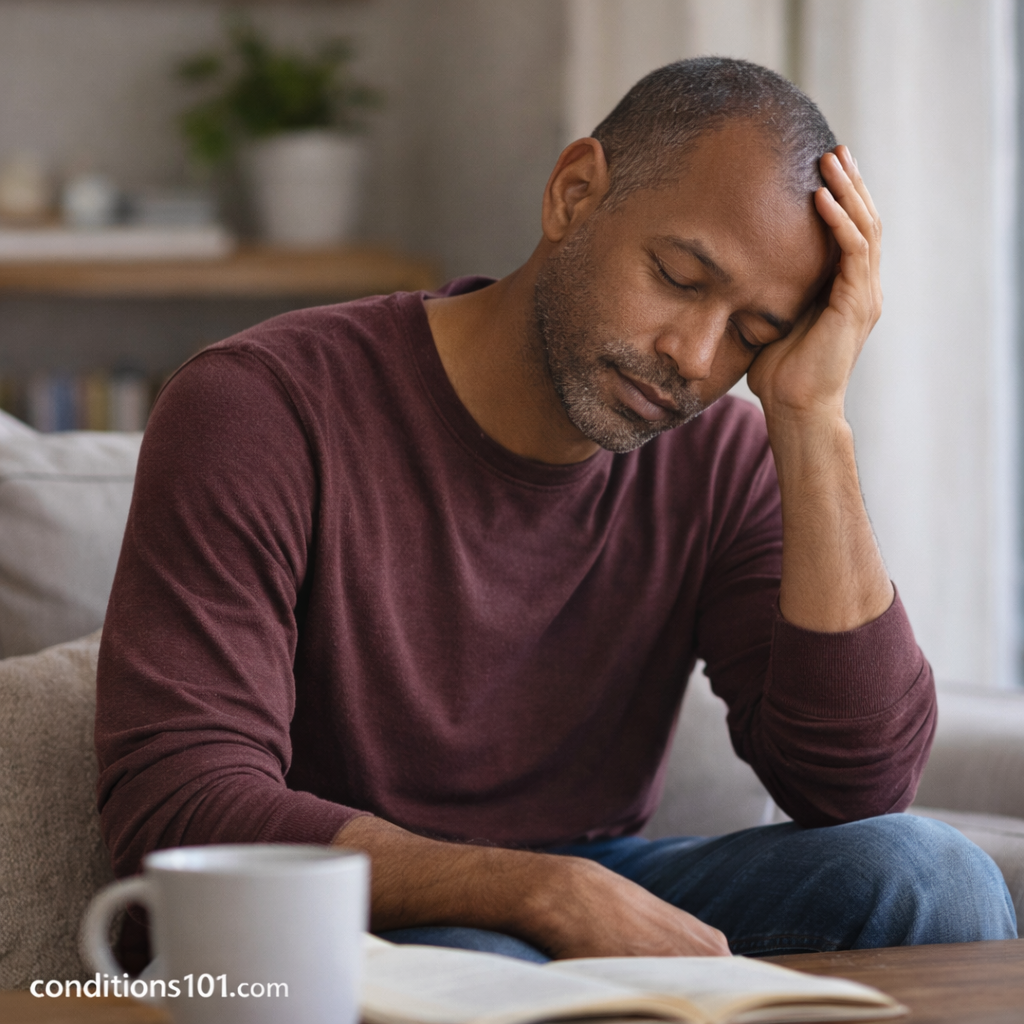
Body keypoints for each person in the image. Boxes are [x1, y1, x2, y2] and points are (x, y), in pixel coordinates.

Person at [95, 57, 1016, 964]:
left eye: (752, 333)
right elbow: (180, 807)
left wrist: (812, 421)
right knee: (468, 958)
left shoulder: (724, 460)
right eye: (680, 277)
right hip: (340, 914)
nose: (693, 357)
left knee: (933, 876)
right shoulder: (262, 408)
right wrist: (532, 891)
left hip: (594, 876)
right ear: (575, 193)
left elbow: (856, 789)